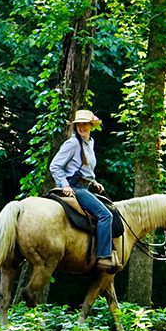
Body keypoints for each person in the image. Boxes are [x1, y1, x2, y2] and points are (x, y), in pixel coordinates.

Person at [49, 109, 119, 273]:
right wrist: (64, 185)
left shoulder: (89, 142)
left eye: (85, 124)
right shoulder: (73, 143)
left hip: (86, 186)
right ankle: (103, 256)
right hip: (75, 187)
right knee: (105, 215)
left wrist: (94, 182)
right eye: (79, 125)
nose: (82, 127)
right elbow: (55, 165)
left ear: (90, 125)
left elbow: (84, 168)